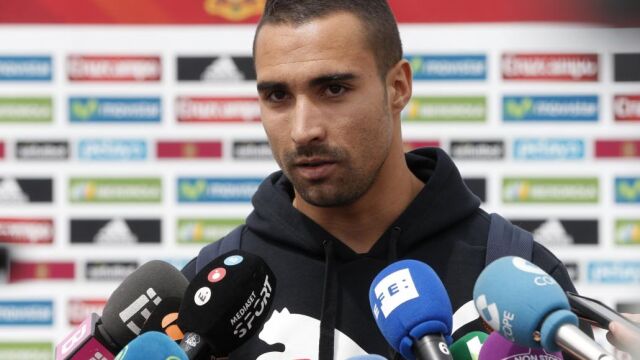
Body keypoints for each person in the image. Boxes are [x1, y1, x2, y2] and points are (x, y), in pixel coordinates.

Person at [182, 1, 588, 358]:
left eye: (334, 89)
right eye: (277, 97)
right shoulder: (209, 295)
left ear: (398, 87)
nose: (303, 130)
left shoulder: (517, 275)